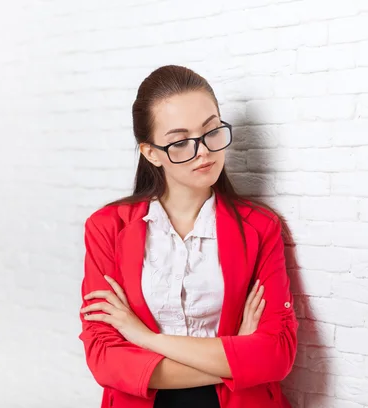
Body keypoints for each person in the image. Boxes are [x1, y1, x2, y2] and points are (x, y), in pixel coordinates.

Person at [78, 65, 298, 408]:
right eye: (180, 142)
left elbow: (276, 356)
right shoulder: (108, 228)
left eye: (212, 131)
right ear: (151, 152)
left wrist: (145, 338)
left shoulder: (260, 227)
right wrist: (236, 356)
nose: (204, 152)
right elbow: (105, 360)